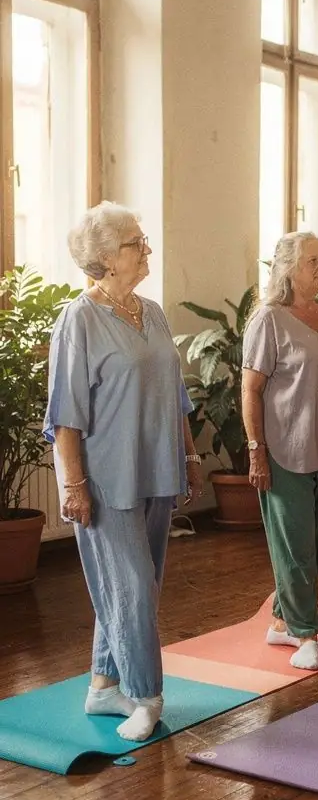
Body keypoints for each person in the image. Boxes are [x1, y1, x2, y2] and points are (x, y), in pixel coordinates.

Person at [44, 201, 203, 742]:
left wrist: (190, 454)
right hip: (107, 477)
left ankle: (102, 685)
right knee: (132, 587)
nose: (147, 249)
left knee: (139, 584)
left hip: (158, 467)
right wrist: (73, 485)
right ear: (108, 258)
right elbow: (65, 411)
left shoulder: (152, 311)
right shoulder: (78, 319)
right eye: (137, 242)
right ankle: (146, 696)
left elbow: (175, 393)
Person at [241, 231, 318, 672]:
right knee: (295, 545)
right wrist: (256, 450)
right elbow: (251, 389)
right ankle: (307, 634)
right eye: (313, 259)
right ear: (288, 269)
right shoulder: (268, 320)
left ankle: (282, 620)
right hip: (284, 449)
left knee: (316, 542)